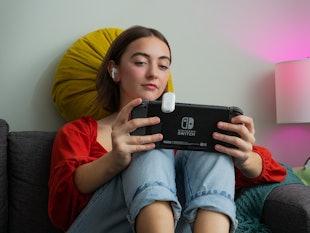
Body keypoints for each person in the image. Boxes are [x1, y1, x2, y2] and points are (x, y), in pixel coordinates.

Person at [48, 25, 286, 233]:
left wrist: (244, 157)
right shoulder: (78, 132)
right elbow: (61, 209)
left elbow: (274, 172)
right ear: (115, 70)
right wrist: (116, 159)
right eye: (140, 62)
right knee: (151, 142)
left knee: (208, 141)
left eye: (163, 66)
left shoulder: (185, 140)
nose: (153, 73)